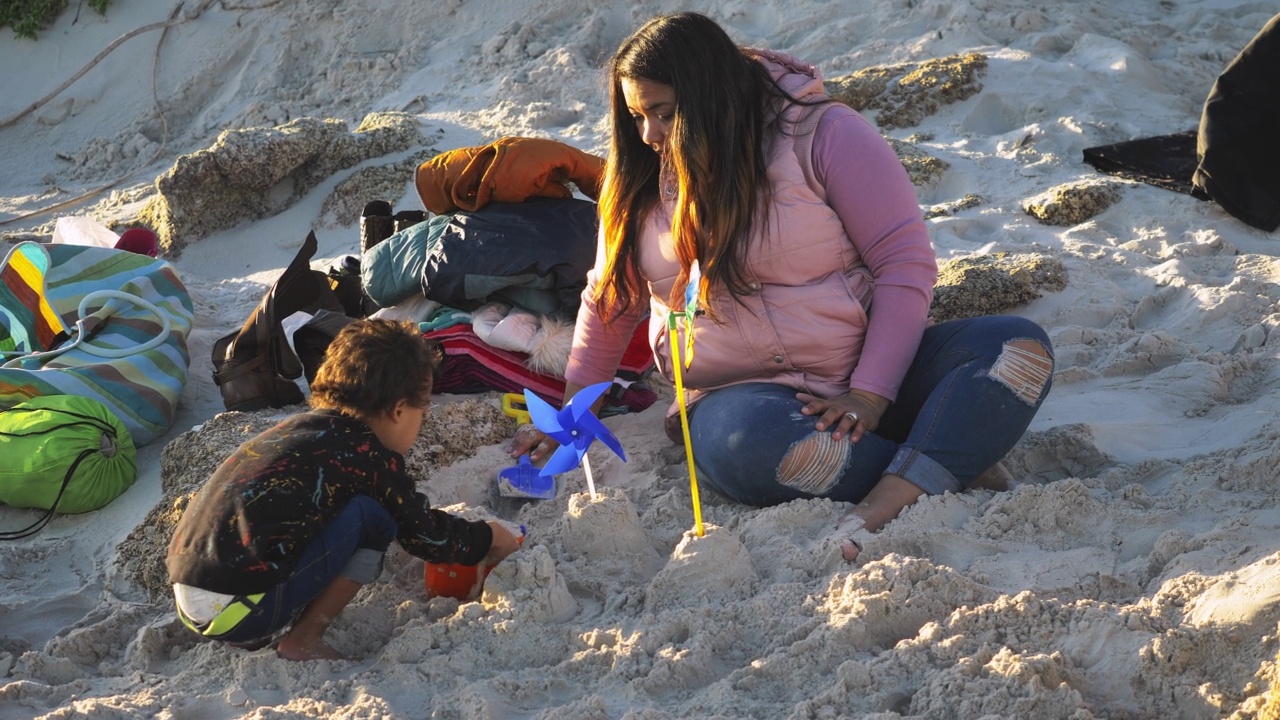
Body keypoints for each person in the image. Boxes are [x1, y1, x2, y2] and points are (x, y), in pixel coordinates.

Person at [509, 12, 1055, 562]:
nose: (648, 134)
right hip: (745, 400)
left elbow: (903, 263)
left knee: (1014, 346)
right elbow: (609, 306)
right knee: (744, 447)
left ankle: (896, 488)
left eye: (666, 114)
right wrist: (570, 418)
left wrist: (868, 393)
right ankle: (942, 457)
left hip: (871, 371)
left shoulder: (824, 133)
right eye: (635, 116)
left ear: (713, 97)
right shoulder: (636, 183)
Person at [168, 319, 523, 660]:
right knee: (376, 516)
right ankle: (303, 639)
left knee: (331, 509)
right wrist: (487, 537)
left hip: (189, 598)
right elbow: (425, 537)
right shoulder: (368, 455)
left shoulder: (300, 430)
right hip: (242, 613)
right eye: (422, 412)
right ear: (399, 410)